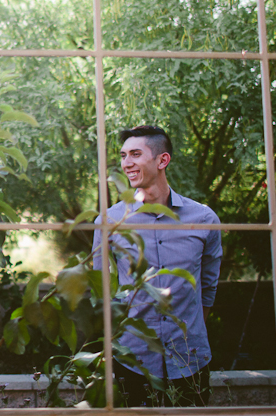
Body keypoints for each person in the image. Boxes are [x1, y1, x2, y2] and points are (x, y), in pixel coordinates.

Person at [92, 126, 222, 407]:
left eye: (136, 154)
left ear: (162, 161)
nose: (127, 163)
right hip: (132, 357)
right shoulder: (110, 221)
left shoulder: (203, 219)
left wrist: (190, 328)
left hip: (190, 357)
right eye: (124, 155)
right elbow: (99, 286)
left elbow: (208, 288)